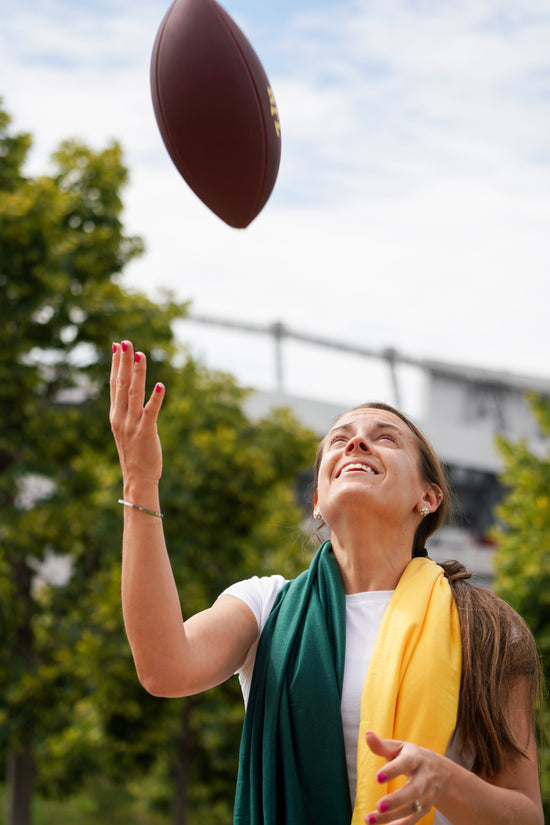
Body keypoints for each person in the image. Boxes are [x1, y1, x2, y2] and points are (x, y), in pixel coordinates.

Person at [109, 340, 543, 825]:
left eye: (385, 438)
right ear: (317, 498)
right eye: (339, 440)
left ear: (428, 497)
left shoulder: (486, 627)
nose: (356, 443)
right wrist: (140, 482)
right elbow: (164, 669)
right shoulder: (265, 605)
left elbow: (525, 814)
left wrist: (447, 782)